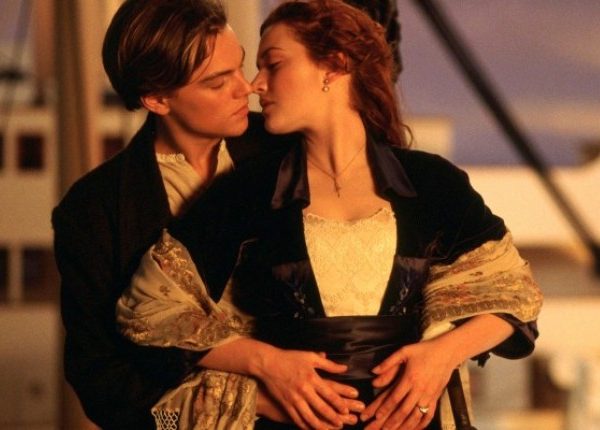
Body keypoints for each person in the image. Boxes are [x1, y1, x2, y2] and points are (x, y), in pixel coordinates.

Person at [117, 0, 543, 429]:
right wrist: (266, 364)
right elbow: (150, 308)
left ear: (334, 66)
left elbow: (515, 296)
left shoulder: (432, 182)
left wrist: (441, 355)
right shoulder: (245, 191)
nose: (255, 84)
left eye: (273, 65)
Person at [52, 0, 295, 428]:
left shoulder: (288, 150)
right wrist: (242, 404)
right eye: (217, 82)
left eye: (239, 67)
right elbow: (101, 381)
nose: (245, 88)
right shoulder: (91, 210)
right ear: (157, 99)